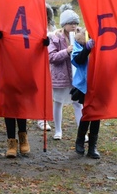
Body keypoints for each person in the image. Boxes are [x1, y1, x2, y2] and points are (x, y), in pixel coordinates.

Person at [71, 28, 117, 159]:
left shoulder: (110, 38)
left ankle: (92, 146)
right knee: (88, 112)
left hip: (103, 83)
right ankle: (80, 141)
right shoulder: (82, 38)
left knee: (97, 114)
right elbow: (77, 60)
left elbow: (114, 58)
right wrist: (87, 48)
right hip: (86, 84)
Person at [0, 20, 30, 158]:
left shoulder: (26, 21)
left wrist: (43, 43)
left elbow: (32, 43)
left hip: (22, 69)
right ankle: (11, 142)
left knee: (21, 104)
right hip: (5, 71)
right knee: (8, 106)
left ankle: (23, 137)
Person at [48, 7, 84, 140]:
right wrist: (66, 51)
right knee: (58, 102)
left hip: (76, 77)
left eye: (76, 23)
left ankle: (82, 132)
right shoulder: (54, 38)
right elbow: (51, 57)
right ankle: (58, 130)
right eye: (71, 23)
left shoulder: (80, 36)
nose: (74, 26)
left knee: (78, 103)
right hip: (60, 76)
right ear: (64, 24)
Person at [37, 3, 56, 131]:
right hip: (35, 61)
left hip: (49, 63)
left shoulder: (52, 28)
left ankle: (42, 119)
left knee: (46, 91)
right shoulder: (32, 25)